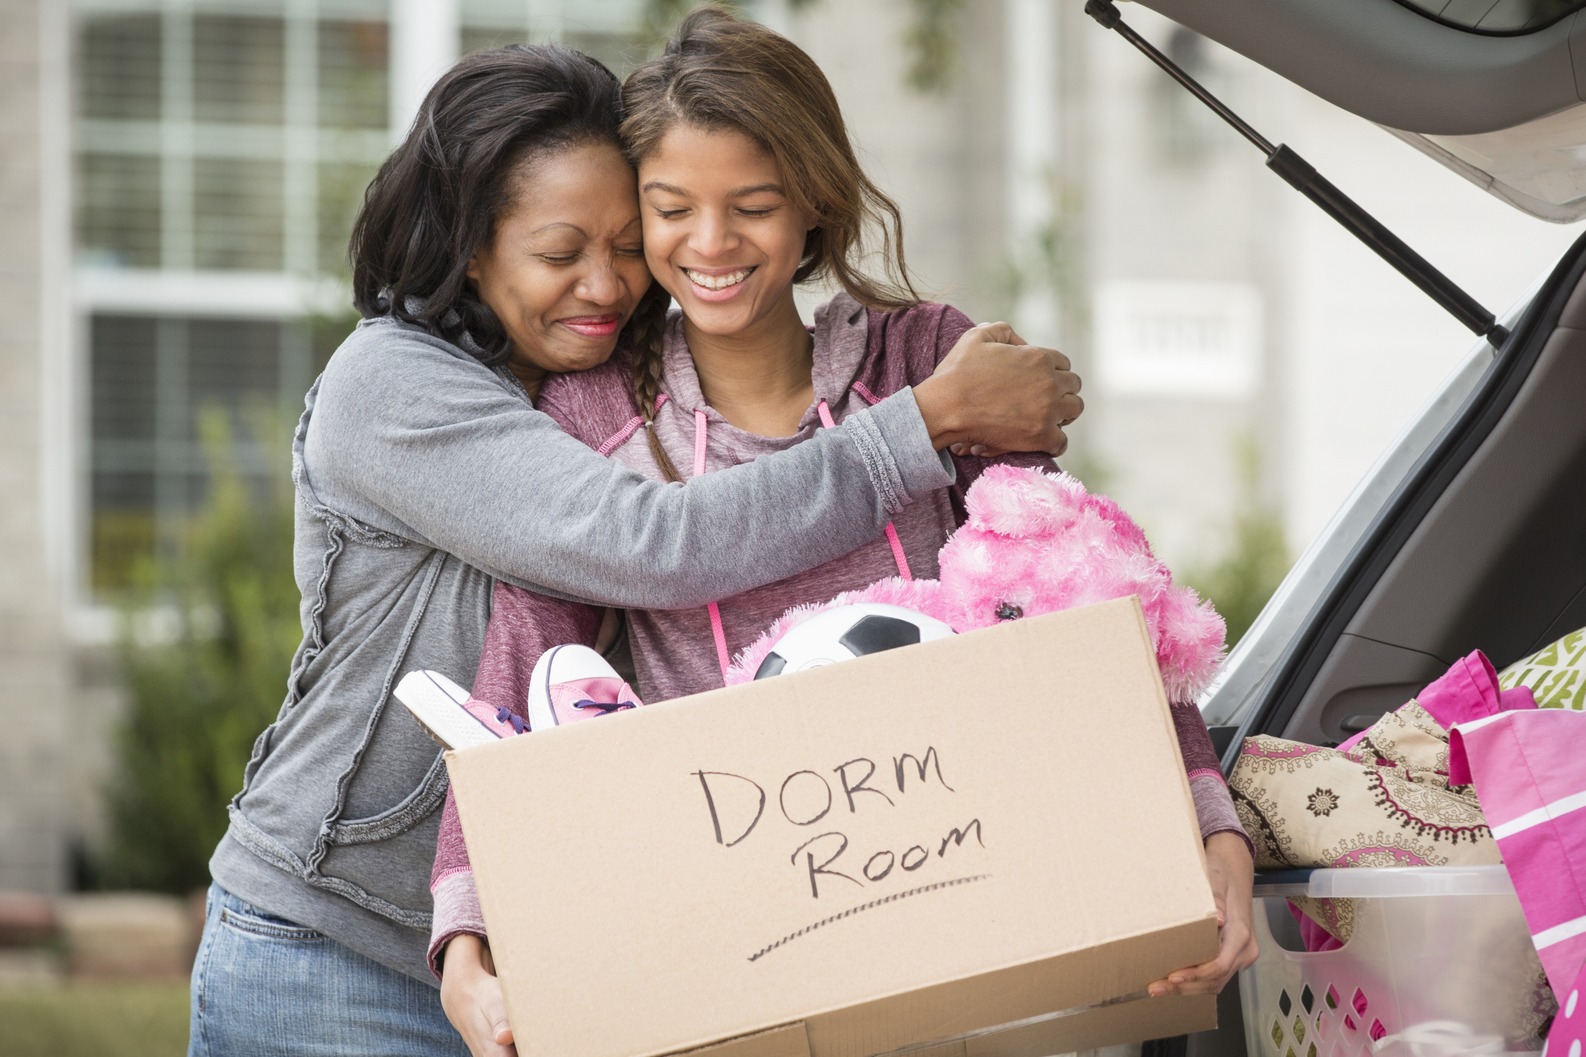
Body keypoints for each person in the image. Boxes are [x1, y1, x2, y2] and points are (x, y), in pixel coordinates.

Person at [184, 40, 1082, 1057]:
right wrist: (925, 421)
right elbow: (651, 544)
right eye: (561, 254)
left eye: (623, 243)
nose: (604, 284)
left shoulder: (602, 392)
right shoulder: (393, 387)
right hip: (339, 950)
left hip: (559, 961)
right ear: (471, 247)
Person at [423, 11, 1256, 1057]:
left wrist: (1205, 816)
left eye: (753, 206)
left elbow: (1079, 590)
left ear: (814, 202)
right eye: (670, 208)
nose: (711, 243)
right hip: (752, 968)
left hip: (989, 935)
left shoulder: (928, 363)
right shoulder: (593, 419)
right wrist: (467, 932)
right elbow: (522, 669)